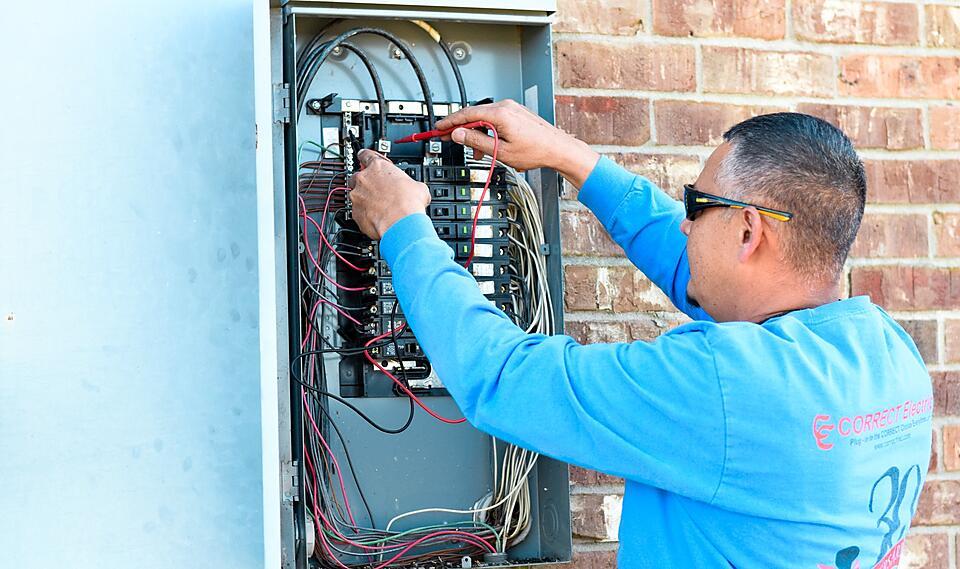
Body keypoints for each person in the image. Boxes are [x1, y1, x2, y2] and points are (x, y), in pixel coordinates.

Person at [346, 100, 933, 568]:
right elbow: (699, 276)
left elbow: (502, 376)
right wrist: (572, 158)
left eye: (698, 206)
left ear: (749, 231)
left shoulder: (722, 386)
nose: (684, 222)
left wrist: (405, 229)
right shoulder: (887, 351)